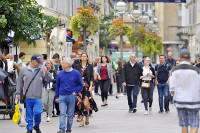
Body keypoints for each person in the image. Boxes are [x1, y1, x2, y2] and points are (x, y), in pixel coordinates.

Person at [16, 55, 51, 133]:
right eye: (37, 61)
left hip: (38, 97)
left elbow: (48, 80)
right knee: (29, 114)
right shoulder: (24, 71)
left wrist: (47, 72)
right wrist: (18, 92)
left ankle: (37, 125)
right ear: (32, 61)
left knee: (38, 112)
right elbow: (20, 83)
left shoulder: (41, 71)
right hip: (27, 97)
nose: (39, 63)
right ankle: (29, 129)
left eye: (40, 61)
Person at [169, 49, 200, 133]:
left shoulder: (174, 70)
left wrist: (175, 96)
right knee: (194, 124)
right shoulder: (195, 70)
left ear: (180, 58)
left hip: (180, 101)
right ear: (189, 58)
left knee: (184, 124)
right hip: (193, 101)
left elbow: (171, 88)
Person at [55, 58, 83, 133]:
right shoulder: (60, 73)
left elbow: (80, 84)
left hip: (71, 96)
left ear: (67, 65)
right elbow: (57, 85)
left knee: (70, 114)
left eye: (63, 63)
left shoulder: (76, 73)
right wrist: (57, 96)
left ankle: (68, 129)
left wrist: (76, 92)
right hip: (62, 95)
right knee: (62, 113)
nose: (61, 64)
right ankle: (62, 129)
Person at [73, 53, 94, 127]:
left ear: (87, 58)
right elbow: (74, 76)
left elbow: (91, 77)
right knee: (80, 104)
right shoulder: (76, 66)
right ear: (80, 58)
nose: (83, 57)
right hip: (78, 86)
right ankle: (81, 120)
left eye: (85, 56)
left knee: (85, 103)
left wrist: (91, 86)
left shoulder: (90, 66)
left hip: (86, 86)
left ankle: (87, 115)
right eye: (82, 56)